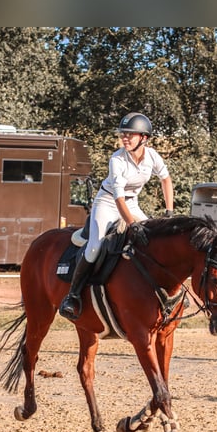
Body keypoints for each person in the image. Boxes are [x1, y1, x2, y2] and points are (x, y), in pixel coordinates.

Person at [59, 112, 174, 320]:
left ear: (144, 138)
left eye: (130, 134)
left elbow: (166, 180)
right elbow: (118, 199)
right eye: (123, 134)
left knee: (154, 240)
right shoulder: (117, 159)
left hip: (133, 203)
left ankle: (161, 293)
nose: (125, 138)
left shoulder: (152, 156)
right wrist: (132, 223)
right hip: (108, 203)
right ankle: (72, 296)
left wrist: (169, 212)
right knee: (95, 247)